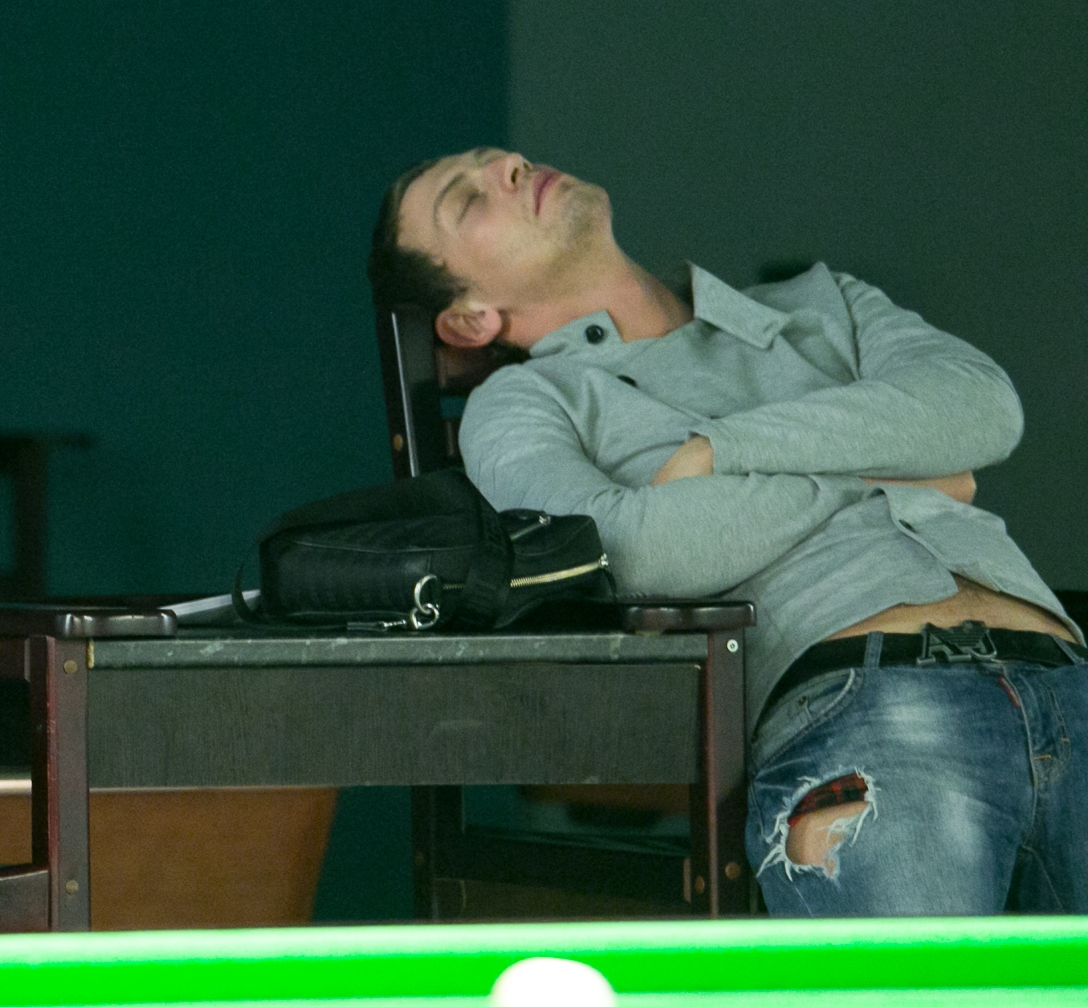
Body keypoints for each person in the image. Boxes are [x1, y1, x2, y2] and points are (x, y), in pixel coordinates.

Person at [369, 146, 1084, 915]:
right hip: (868, 708)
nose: (509, 167)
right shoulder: (524, 404)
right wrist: (890, 472)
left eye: (498, 160)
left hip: (1070, 671)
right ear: (470, 319)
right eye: (468, 200)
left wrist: (719, 453)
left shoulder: (826, 301)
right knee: (927, 999)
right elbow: (630, 550)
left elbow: (984, 409)